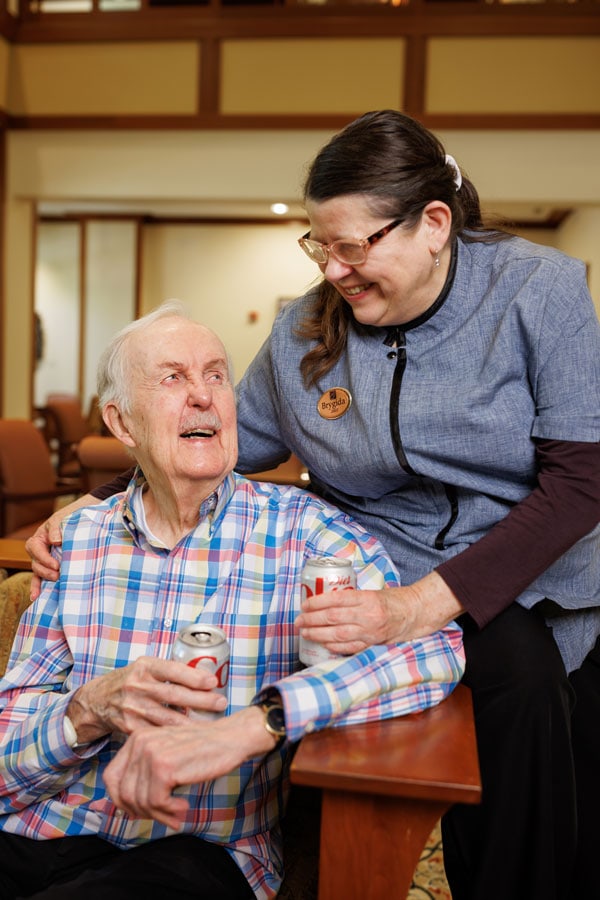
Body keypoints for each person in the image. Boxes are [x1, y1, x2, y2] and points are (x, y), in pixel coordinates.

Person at [26, 110, 600, 899]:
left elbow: (581, 481)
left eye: (354, 247)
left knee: (535, 691)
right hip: (374, 564)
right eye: (319, 246)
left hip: (527, 560)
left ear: (434, 224)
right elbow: (216, 438)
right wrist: (90, 508)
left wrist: (424, 606)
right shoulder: (306, 326)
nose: (332, 270)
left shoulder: (541, 291)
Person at [0, 301, 465, 900]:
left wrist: (262, 721)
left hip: (196, 853)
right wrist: (88, 709)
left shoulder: (307, 536)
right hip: (40, 828)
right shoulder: (76, 544)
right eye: (173, 378)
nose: (204, 396)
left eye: (216, 374)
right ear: (122, 423)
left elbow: (434, 653)